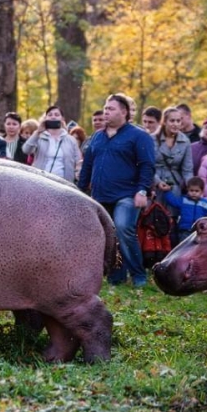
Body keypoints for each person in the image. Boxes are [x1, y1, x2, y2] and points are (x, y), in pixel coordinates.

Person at [77, 94, 155, 288]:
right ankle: (116, 277)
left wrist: (142, 191)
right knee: (109, 237)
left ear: (124, 112)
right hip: (100, 196)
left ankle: (138, 275)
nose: (106, 112)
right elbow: (87, 166)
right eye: (105, 108)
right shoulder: (97, 136)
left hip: (127, 195)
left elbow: (147, 165)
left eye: (111, 109)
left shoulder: (139, 136)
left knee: (122, 228)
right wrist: (79, 191)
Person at [152, 106, 193, 218]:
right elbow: (147, 166)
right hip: (154, 183)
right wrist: (157, 182)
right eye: (172, 121)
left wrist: (191, 188)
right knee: (154, 217)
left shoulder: (185, 141)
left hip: (174, 184)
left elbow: (187, 169)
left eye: (178, 121)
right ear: (164, 122)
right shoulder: (152, 139)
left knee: (172, 217)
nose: (175, 124)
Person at [23, 106, 81, 182]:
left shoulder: (70, 140)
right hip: (42, 180)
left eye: (57, 115)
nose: (53, 117)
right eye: (50, 115)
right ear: (45, 119)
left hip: (64, 182)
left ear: (62, 119)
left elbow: (78, 160)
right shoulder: (39, 137)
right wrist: (37, 132)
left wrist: (77, 173)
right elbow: (26, 150)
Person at [162, 176, 207, 245]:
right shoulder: (184, 200)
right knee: (184, 247)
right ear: (187, 190)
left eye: (197, 191)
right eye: (191, 190)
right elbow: (173, 201)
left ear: (202, 191)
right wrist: (167, 192)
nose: (194, 193)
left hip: (199, 232)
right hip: (184, 230)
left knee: (197, 247)